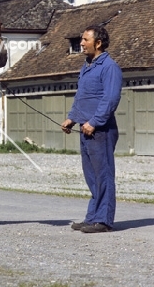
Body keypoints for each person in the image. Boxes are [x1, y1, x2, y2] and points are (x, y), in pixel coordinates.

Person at [61, 25, 122, 233]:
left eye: (85, 40)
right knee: (91, 175)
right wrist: (72, 118)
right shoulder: (86, 66)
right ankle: (92, 217)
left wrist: (94, 122)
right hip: (85, 129)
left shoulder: (109, 67)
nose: (81, 43)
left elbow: (110, 99)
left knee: (103, 174)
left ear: (98, 43)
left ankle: (103, 221)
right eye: (81, 39)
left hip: (101, 131)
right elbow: (82, 97)